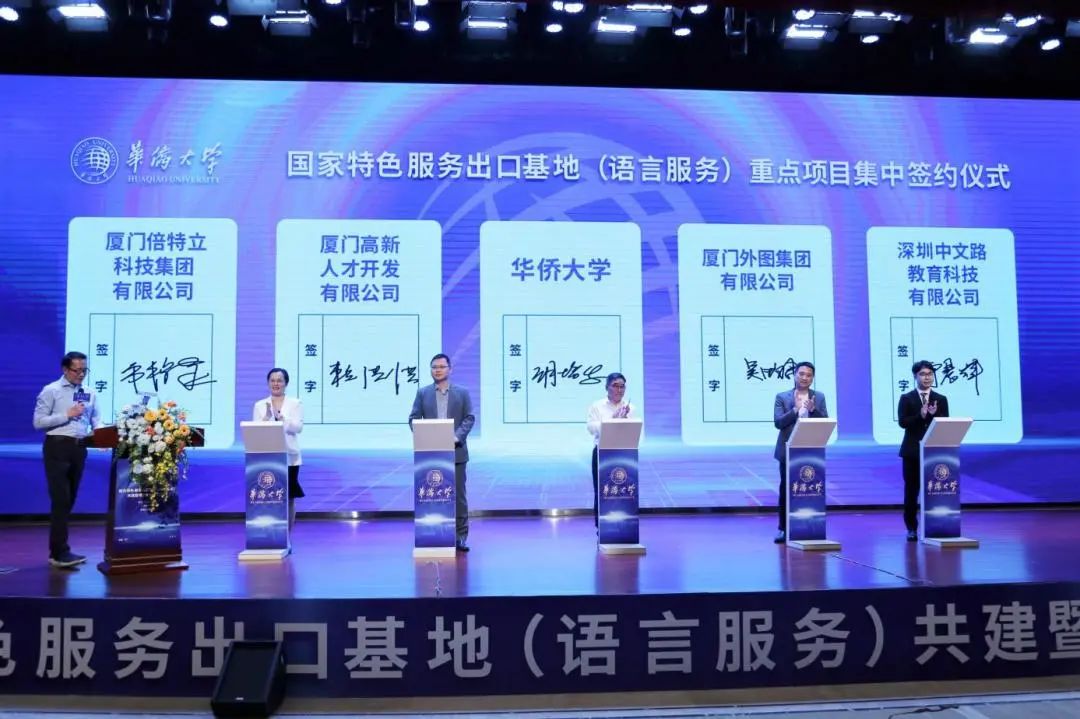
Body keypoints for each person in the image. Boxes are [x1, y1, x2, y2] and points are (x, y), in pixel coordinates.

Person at [32, 351, 102, 568]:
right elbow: (38, 422)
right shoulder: (51, 390)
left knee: (69, 499)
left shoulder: (90, 392)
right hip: (57, 447)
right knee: (61, 500)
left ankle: (60, 550)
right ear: (65, 369)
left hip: (80, 448)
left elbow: (96, 421)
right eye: (76, 370)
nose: (81, 374)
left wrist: (102, 437)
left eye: (84, 370)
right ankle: (58, 552)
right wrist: (67, 415)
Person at [409, 353, 475, 552]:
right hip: (430, 454)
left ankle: (460, 537)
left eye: (441, 366)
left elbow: (469, 418)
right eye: (434, 367)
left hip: (456, 452)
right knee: (432, 495)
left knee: (459, 497)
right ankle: (433, 534)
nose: (437, 370)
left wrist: (456, 437)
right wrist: (425, 434)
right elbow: (413, 419)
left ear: (450, 369)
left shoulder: (462, 393)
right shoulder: (423, 393)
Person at [772, 361, 829, 543]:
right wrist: (795, 410)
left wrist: (814, 410)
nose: (805, 378)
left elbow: (825, 421)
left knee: (811, 489)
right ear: (795, 375)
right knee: (786, 490)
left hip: (811, 450)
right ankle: (783, 528)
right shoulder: (782, 397)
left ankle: (811, 526)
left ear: (812, 378)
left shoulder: (819, 397)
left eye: (809, 375)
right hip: (787, 450)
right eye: (801, 374)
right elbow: (778, 422)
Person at [898, 360, 949, 541]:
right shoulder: (907, 398)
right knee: (911, 492)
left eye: (930, 374)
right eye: (922, 374)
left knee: (935, 490)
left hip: (934, 452)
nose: (927, 377)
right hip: (912, 453)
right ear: (915, 376)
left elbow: (945, 423)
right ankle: (911, 528)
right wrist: (920, 416)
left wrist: (934, 415)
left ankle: (936, 526)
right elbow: (903, 422)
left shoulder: (941, 399)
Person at [253, 368, 304, 527]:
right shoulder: (260, 405)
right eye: (272, 380)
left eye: (279, 380)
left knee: (288, 496)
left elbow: (298, 428)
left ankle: (287, 534)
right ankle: (270, 531)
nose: (276, 383)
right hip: (267, 456)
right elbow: (254, 431)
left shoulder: (295, 403)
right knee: (269, 495)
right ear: (268, 383)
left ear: (286, 383)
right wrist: (266, 418)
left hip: (289, 456)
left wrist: (282, 418)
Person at [586, 372, 635, 528]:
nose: (619, 390)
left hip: (624, 454)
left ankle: (624, 525)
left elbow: (633, 430)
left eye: (622, 386)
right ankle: (601, 528)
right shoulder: (597, 406)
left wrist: (625, 420)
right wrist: (611, 420)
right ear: (607, 387)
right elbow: (591, 427)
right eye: (615, 386)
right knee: (601, 491)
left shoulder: (630, 408)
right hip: (602, 453)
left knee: (624, 491)